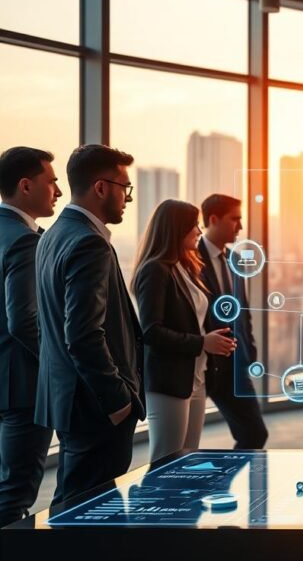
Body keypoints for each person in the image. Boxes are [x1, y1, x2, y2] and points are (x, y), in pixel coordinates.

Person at [35, 144, 144, 505]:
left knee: (73, 500)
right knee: (90, 509)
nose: (127, 198)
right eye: (124, 187)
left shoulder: (52, 235)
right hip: (96, 407)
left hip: (68, 399)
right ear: (101, 188)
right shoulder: (88, 243)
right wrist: (118, 401)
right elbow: (82, 334)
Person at [133, 200, 236, 463]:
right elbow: (151, 332)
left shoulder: (186, 266)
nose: (199, 232)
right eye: (193, 226)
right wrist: (203, 343)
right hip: (170, 381)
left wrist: (213, 341)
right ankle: (155, 505)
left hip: (195, 376)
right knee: (166, 461)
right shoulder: (154, 270)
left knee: (187, 460)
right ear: (176, 230)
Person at [0, 147, 62, 525]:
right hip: (22, 383)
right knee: (15, 491)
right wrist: (58, 364)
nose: (57, 191)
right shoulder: (25, 240)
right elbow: (23, 320)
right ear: (26, 186)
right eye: (51, 181)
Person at [197, 194, 269, 449]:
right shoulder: (190, 257)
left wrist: (249, 350)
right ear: (213, 220)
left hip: (235, 362)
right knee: (182, 445)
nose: (240, 226)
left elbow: (243, 310)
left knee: (254, 434)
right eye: (235, 219)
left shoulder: (235, 259)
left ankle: (219, 487)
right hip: (203, 362)